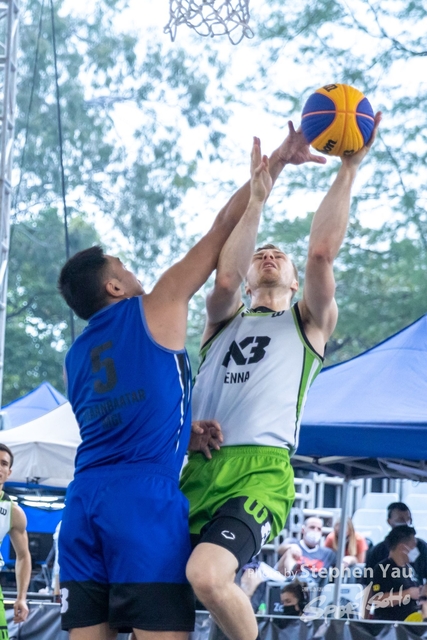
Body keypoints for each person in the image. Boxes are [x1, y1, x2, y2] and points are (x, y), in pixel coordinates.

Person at [57, 130, 317, 640]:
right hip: (143, 502)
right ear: (114, 286)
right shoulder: (155, 306)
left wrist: (183, 435)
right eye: (124, 268)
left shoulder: (75, 357)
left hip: (83, 500)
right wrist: (273, 168)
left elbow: (122, 418)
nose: (134, 273)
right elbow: (222, 230)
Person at [180, 112, 382, 640]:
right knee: (169, 593)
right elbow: (224, 277)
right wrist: (257, 198)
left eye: (279, 256)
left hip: (259, 473)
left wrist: (348, 169)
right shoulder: (221, 320)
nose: (268, 255)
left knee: (207, 576)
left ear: (294, 283)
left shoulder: (306, 323)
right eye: (260, 254)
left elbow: (321, 253)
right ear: (250, 279)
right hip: (195, 469)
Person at [0, 444, 31, 636]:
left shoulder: (13, 511)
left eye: (3, 463)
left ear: (9, 472)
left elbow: (23, 556)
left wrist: (21, 597)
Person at [364, 501, 427, 585]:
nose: (406, 523)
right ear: (389, 521)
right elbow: (369, 583)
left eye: (408, 519)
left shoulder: (421, 546)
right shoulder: (377, 551)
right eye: (400, 519)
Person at [368, 525, 420, 621]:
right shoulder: (383, 569)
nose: (416, 550)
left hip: (411, 622)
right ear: (402, 547)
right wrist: (407, 593)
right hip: (390, 625)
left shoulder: (410, 568)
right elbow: (378, 599)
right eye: (413, 546)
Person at [276, 517, 336, 585]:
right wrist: (291, 547)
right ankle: (293, 575)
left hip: (311, 586)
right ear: (303, 530)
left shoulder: (327, 554)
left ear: (321, 533)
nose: (315, 531)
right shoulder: (292, 542)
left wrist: (347, 560)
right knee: (290, 551)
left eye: (319, 529)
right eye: (312, 527)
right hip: (290, 584)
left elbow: (341, 563)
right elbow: (279, 549)